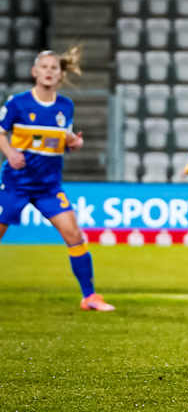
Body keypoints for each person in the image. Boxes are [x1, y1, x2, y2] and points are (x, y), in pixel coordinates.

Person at [0, 47, 114, 312]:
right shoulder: (17, 103)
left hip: (48, 186)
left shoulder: (65, 106)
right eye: (44, 67)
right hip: (16, 183)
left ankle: (90, 297)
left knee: (74, 235)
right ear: (34, 72)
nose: (49, 72)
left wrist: (72, 142)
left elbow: (58, 138)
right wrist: (9, 152)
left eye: (54, 68)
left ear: (60, 75)